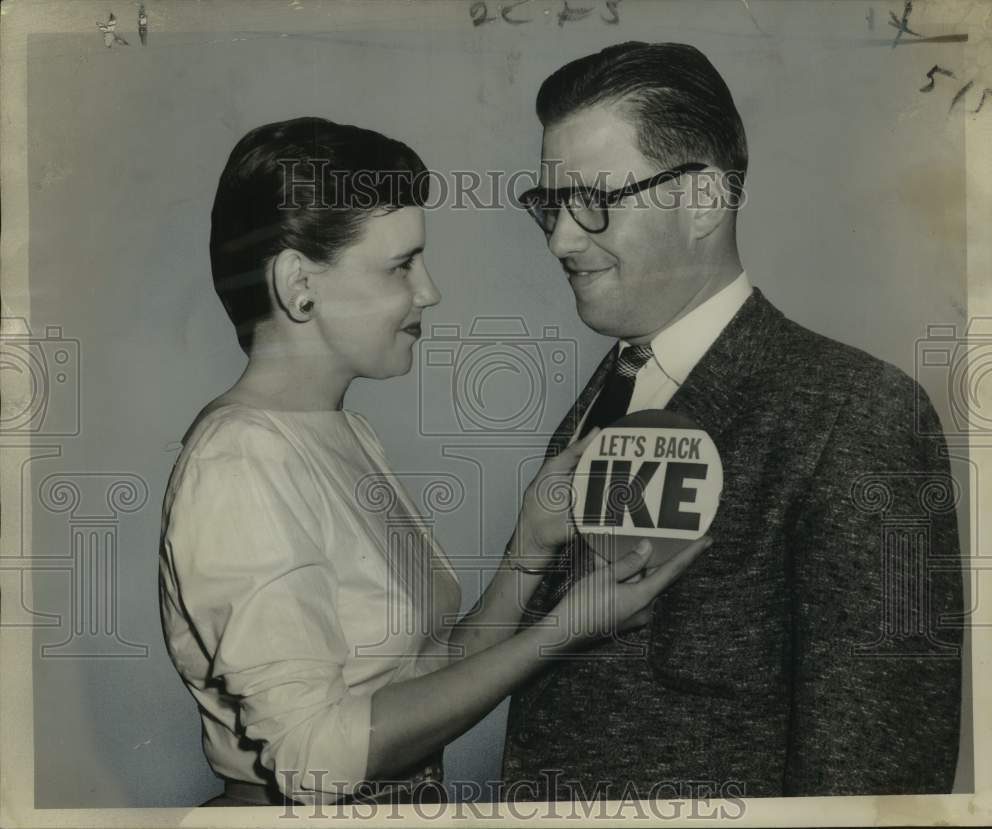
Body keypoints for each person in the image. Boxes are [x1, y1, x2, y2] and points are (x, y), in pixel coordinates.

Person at [157, 116, 711, 808]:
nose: (428, 291)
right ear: (299, 283)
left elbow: (429, 673)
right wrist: (563, 628)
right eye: (400, 265)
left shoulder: (343, 434)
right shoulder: (239, 462)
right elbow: (317, 760)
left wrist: (528, 546)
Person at [502, 42, 964, 799]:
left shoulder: (861, 413)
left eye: (593, 200)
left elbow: (881, 775)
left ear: (705, 200)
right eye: (550, 204)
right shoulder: (604, 397)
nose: (560, 238)